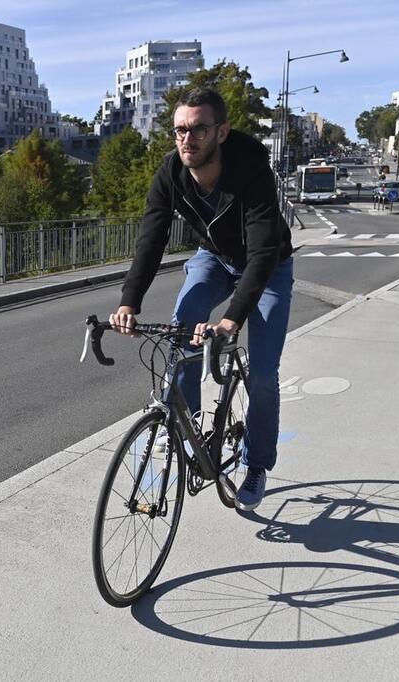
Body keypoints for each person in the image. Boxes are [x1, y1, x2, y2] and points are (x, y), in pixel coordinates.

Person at [109, 86, 294, 512]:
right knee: (184, 315)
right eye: (179, 131)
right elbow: (151, 237)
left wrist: (231, 319)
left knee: (265, 373)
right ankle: (184, 424)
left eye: (197, 130)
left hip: (267, 268)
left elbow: (264, 251)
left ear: (222, 131)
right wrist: (129, 300)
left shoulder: (250, 168)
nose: (186, 139)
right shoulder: (170, 173)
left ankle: (257, 464)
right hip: (214, 257)